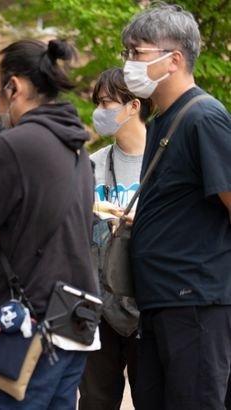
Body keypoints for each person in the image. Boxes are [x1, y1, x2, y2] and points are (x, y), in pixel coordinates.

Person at [0, 39, 98, 409]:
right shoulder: (77, 148)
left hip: (27, 324)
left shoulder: (14, 145)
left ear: (14, 87)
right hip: (74, 319)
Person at [121, 4, 231, 410]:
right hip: (158, 299)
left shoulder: (204, 116)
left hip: (196, 300)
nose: (128, 63)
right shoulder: (159, 124)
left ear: (175, 59)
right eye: (127, 53)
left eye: (137, 52)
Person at [78, 67, 149, 410]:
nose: (99, 112)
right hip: (98, 307)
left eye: (106, 103)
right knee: (94, 400)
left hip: (147, 305)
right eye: (98, 103)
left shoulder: (163, 162)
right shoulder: (92, 165)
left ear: (134, 106)